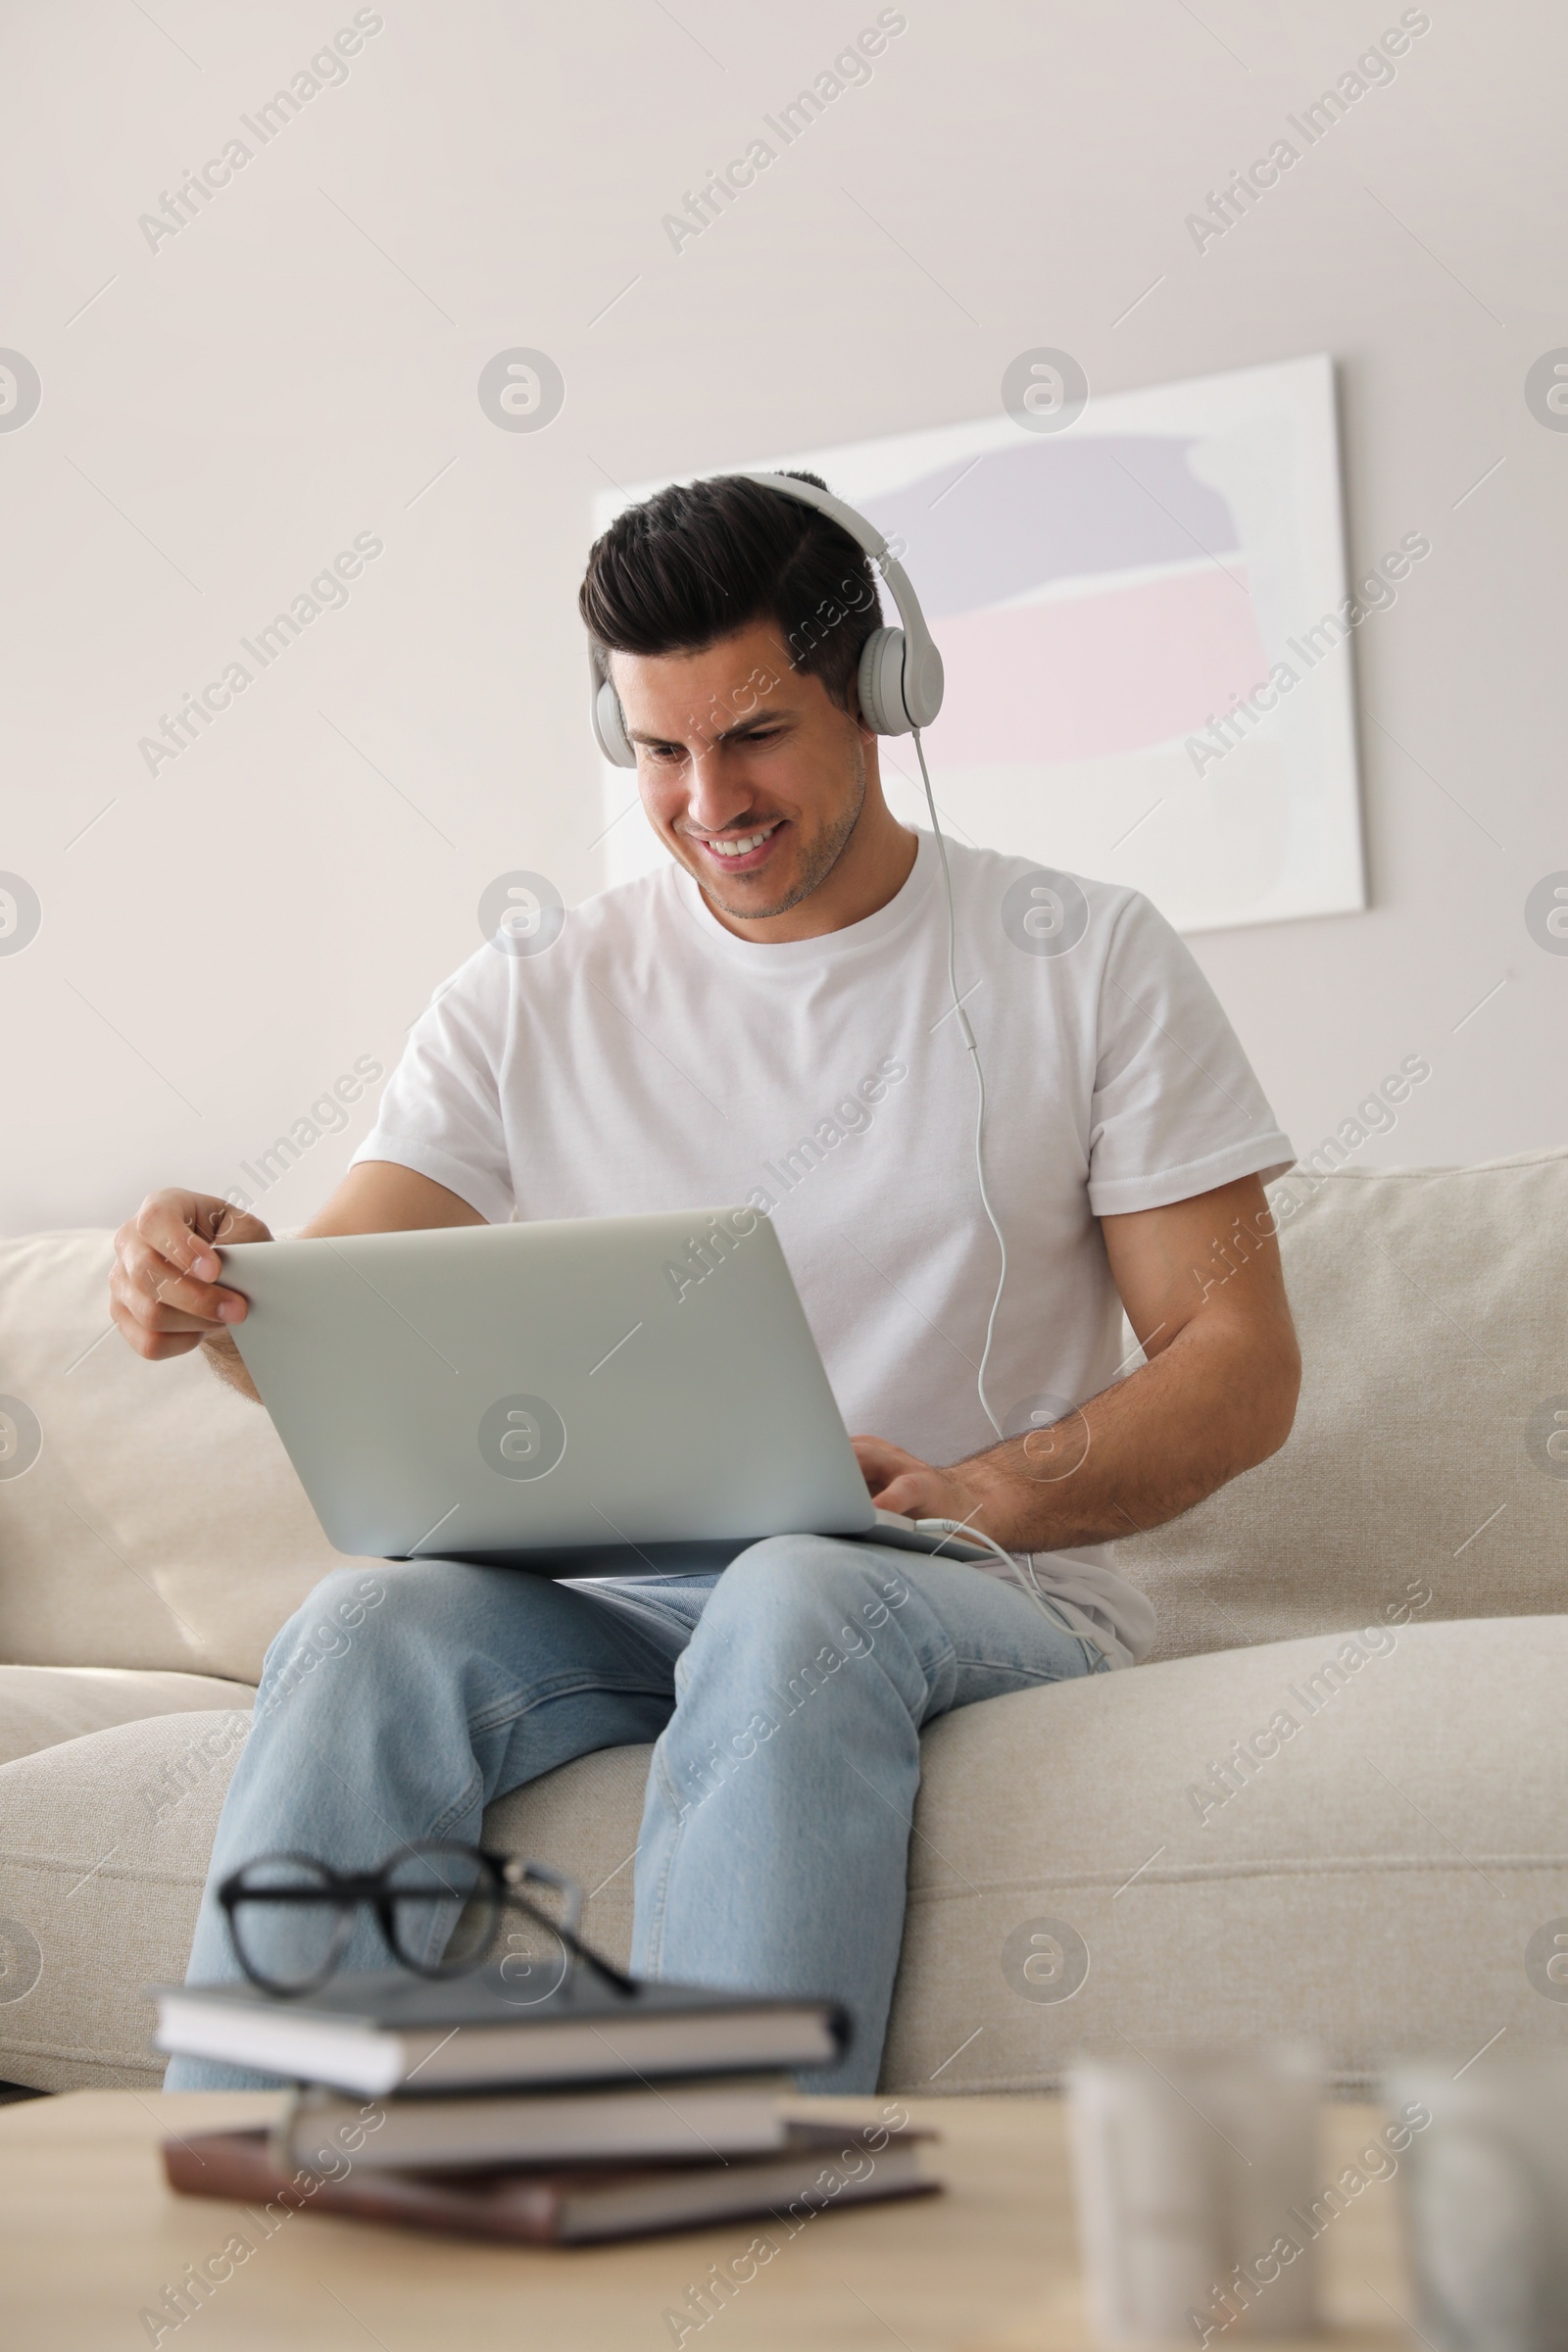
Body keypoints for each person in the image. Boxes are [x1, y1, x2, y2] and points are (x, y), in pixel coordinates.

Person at [112, 472, 1300, 2092]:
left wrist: (981, 1490)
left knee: (791, 1591)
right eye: (660, 750)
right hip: (617, 1597)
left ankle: (720, 2230)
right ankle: (249, 2204)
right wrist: (213, 1290)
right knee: (369, 1622)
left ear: (882, 695)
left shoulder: (1078, 955)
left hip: (959, 1579)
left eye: (753, 736)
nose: (705, 800)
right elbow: (313, 1319)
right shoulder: (531, 991)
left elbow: (1238, 1359)